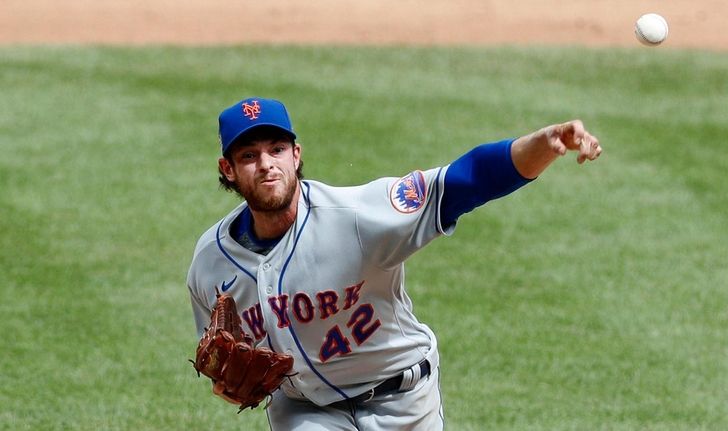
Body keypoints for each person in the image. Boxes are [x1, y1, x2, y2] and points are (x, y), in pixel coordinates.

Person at [187, 97, 601, 430]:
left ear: (296, 155)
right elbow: (223, 363)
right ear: (228, 169)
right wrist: (225, 381)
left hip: (402, 401)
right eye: (249, 155)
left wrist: (545, 144)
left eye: (276, 150)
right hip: (306, 411)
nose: (266, 165)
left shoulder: (356, 215)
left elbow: (465, 180)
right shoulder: (211, 263)